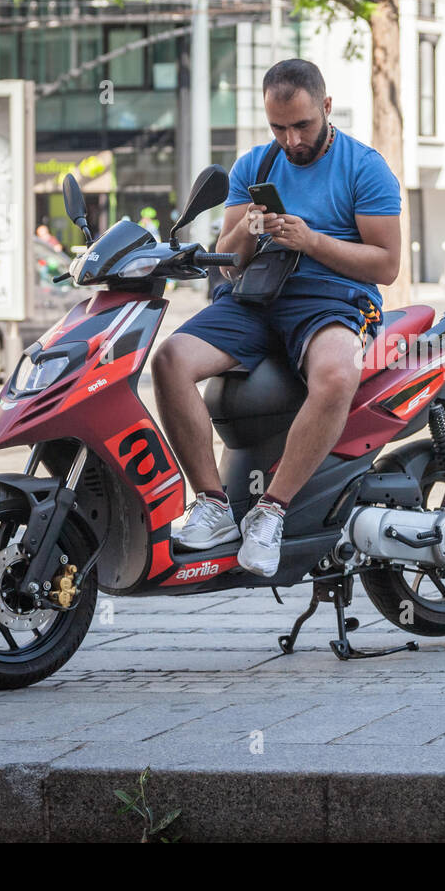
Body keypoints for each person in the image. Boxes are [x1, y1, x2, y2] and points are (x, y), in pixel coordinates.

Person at [152, 58, 401, 578]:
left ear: (327, 107)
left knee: (336, 372)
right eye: (278, 127)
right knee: (171, 358)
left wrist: (312, 240)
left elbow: (388, 264)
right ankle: (215, 506)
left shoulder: (365, 166)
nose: (290, 140)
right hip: (259, 296)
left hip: (334, 298)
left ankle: (272, 512)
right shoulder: (255, 166)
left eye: (302, 125)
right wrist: (248, 226)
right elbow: (229, 256)